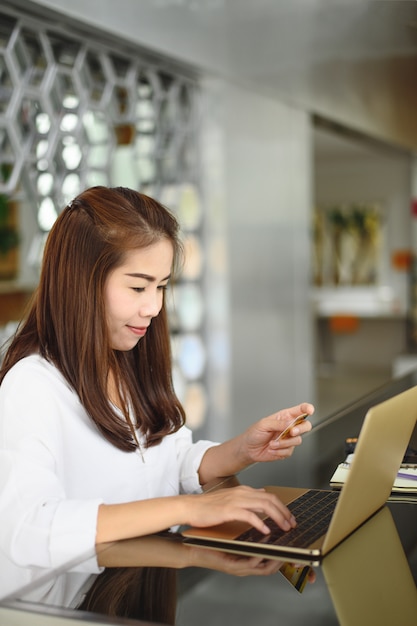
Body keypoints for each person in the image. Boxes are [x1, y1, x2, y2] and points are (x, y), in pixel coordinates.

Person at [0, 186, 313, 578]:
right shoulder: (32, 386)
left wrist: (241, 451)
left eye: (161, 286)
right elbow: (28, 528)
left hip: (131, 590)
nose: (153, 307)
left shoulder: (125, 363)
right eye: (137, 287)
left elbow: (167, 460)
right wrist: (188, 509)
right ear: (80, 281)